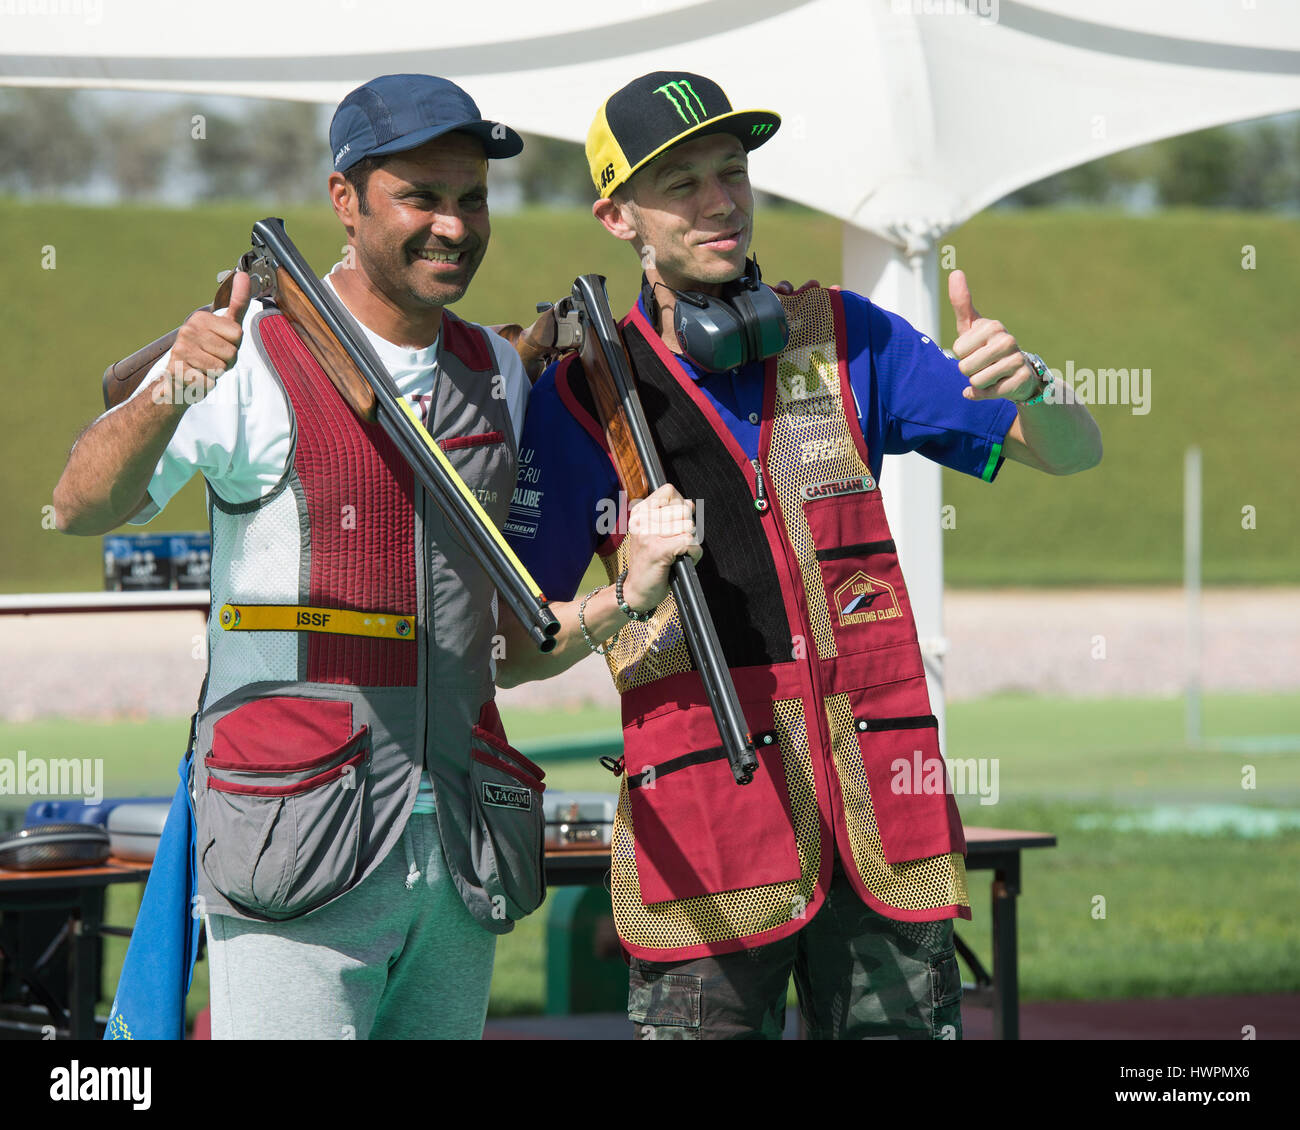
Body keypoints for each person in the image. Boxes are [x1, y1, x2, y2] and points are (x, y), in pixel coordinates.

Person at [496, 71, 1102, 1040]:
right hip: (707, 836)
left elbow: (1072, 454)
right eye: (681, 183)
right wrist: (627, 595)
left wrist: (1038, 384)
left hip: (882, 819)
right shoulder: (580, 396)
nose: (719, 200)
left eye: (731, 171)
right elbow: (513, 649)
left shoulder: (848, 334)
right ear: (619, 217)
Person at [51, 74, 545, 1040]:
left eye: (471, 197)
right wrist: (172, 387)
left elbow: (505, 621)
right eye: (421, 196)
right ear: (343, 200)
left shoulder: (504, 371)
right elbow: (78, 505)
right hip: (295, 842)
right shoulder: (246, 356)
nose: (454, 224)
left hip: (465, 847)